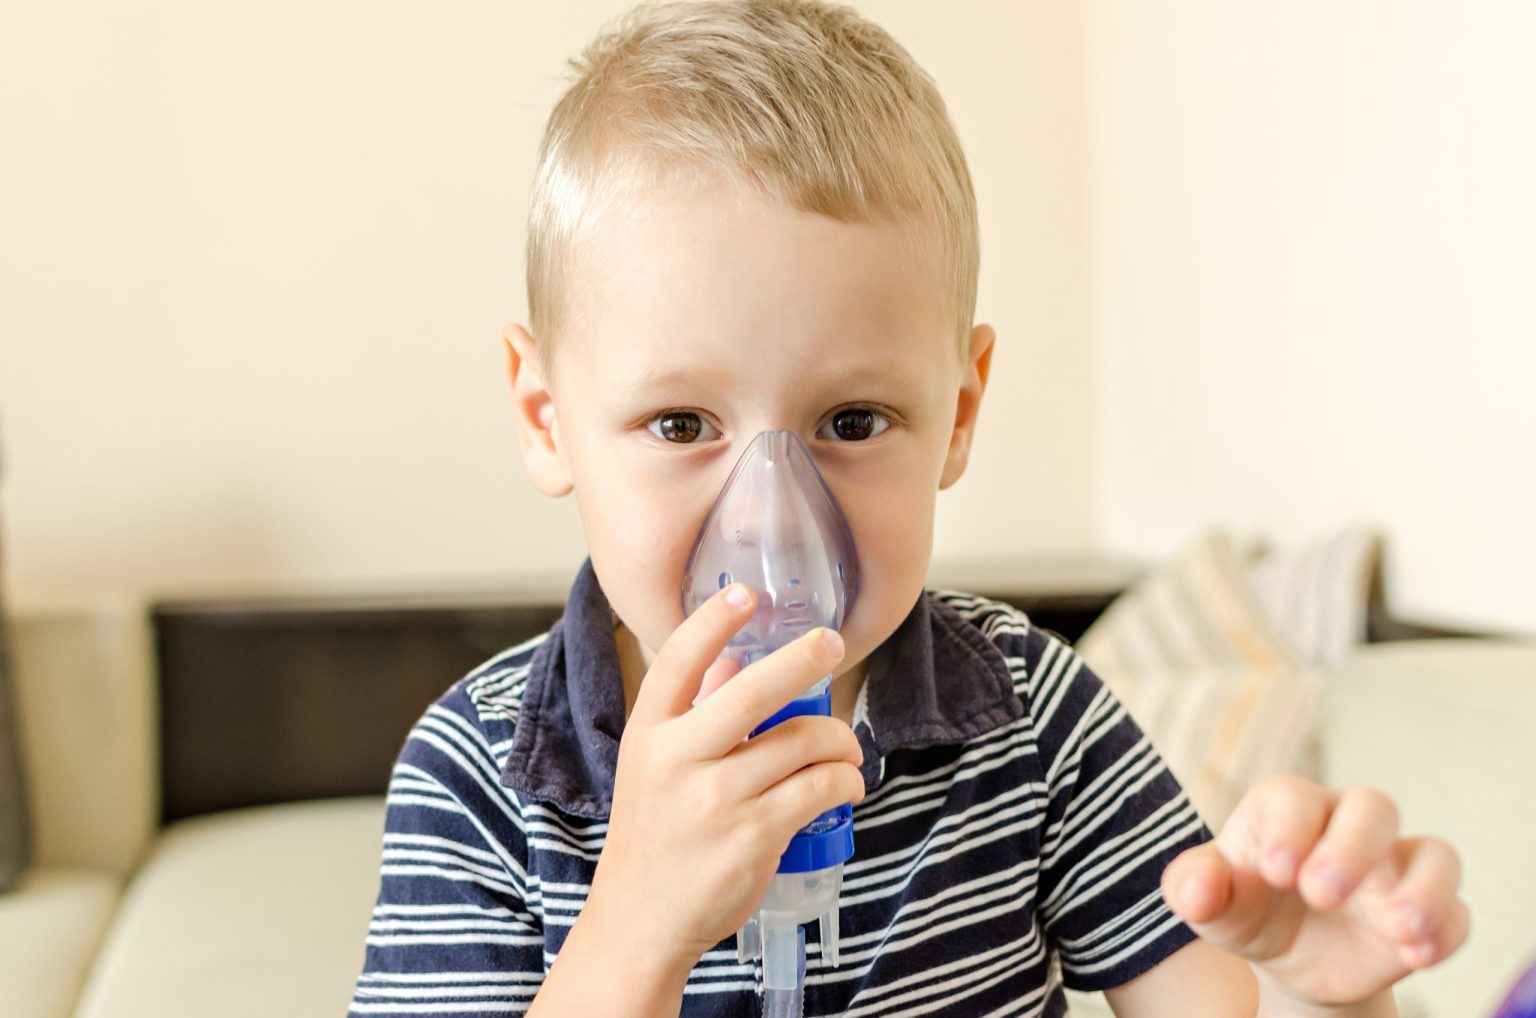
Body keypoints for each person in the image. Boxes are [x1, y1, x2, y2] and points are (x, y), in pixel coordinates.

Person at [349, 2, 1467, 1015]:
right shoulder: (481, 775)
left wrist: (1323, 992)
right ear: (546, 417)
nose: (770, 525)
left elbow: (1221, 1001)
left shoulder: (1029, 719)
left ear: (959, 414)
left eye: (852, 420)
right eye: (682, 424)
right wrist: (636, 923)